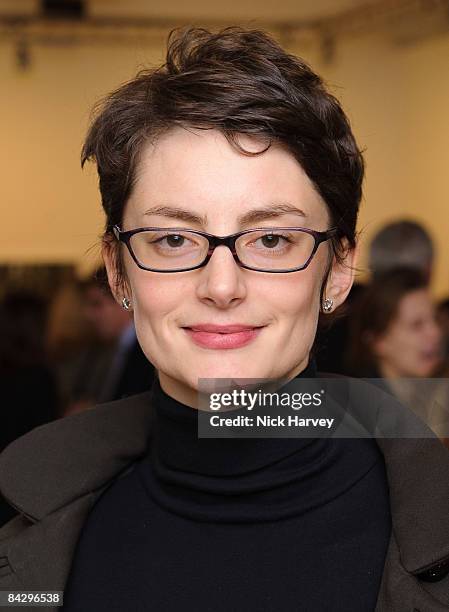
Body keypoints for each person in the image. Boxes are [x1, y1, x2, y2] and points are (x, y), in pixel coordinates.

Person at [0, 27, 449, 612]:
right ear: (117, 271)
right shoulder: (27, 546)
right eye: (171, 239)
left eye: (271, 239)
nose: (221, 286)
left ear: (338, 268)